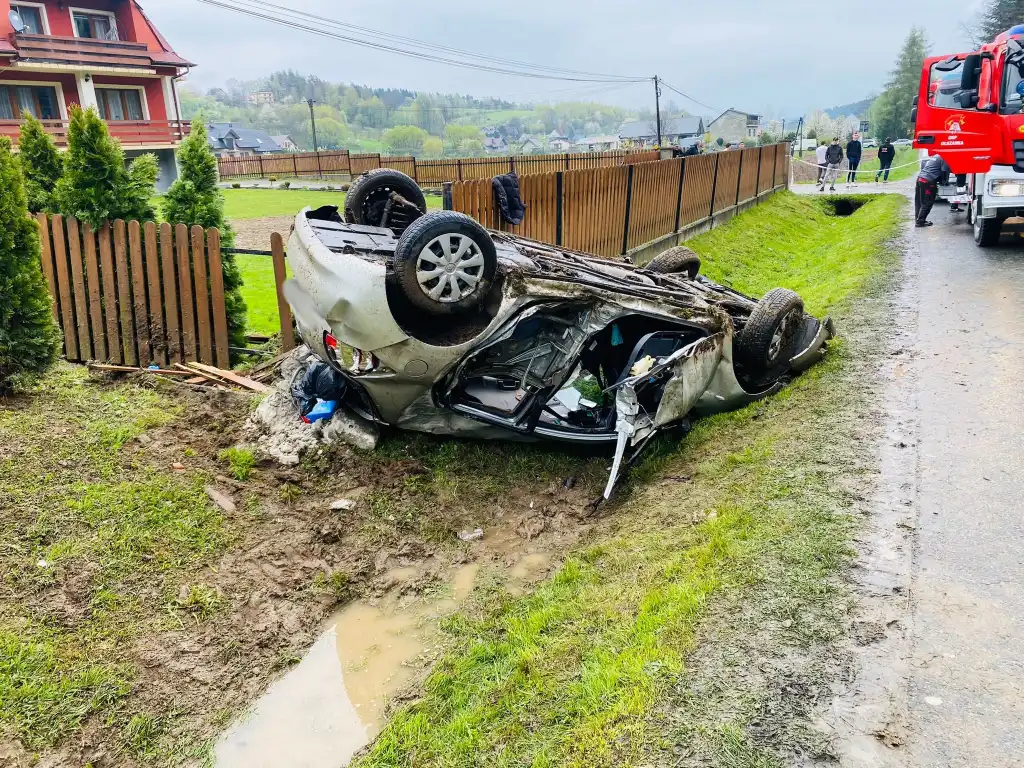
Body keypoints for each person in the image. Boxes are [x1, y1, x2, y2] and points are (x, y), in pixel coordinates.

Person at [915, 154, 952, 227]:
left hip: (920, 178)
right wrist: (944, 182)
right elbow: (944, 171)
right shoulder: (945, 157)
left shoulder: (936, 156)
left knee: (919, 202)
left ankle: (918, 219)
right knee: (927, 202)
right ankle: (920, 222)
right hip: (928, 181)